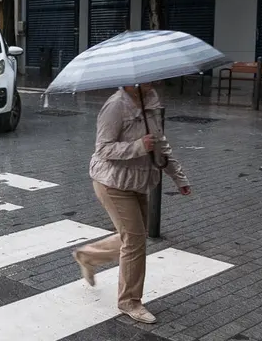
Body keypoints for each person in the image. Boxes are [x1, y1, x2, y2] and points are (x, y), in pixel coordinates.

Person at [72, 83, 191, 324]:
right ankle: (129, 302)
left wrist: (178, 177)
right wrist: (138, 146)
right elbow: (103, 148)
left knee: (134, 236)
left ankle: (88, 256)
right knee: (135, 240)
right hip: (112, 182)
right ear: (131, 81)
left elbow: (160, 144)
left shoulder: (151, 101)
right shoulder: (115, 106)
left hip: (139, 181)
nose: (153, 81)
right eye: (147, 78)